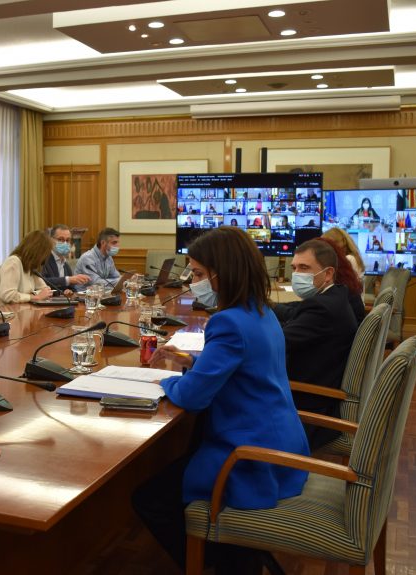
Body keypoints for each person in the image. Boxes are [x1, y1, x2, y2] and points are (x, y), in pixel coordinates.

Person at [132, 228, 309, 573]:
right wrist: (194, 362)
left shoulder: (227, 322)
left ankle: (216, 561)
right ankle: (234, 555)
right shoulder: (260, 311)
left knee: (149, 499)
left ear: (221, 272)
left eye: (198, 274)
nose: (192, 281)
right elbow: (246, 368)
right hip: (282, 443)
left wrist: (167, 379)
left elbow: (194, 397)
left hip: (250, 456)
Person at [272, 239, 359, 449]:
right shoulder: (332, 297)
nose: (297, 274)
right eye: (294, 268)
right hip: (312, 398)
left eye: (304, 268)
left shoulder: (323, 309)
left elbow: (275, 343)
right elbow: (294, 320)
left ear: (328, 273)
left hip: (307, 414)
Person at [0, 230, 56, 305]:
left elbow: (44, 290)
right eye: (45, 254)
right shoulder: (13, 262)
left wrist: (40, 294)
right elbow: (7, 295)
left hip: (19, 312)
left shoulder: (29, 266)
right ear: (38, 251)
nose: (45, 258)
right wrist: (36, 297)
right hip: (3, 313)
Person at [41, 224, 90, 293]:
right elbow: (41, 282)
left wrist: (69, 291)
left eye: (67, 240)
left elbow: (72, 289)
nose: (65, 243)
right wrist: (68, 280)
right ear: (50, 240)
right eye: (60, 239)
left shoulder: (66, 266)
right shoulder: (43, 259)